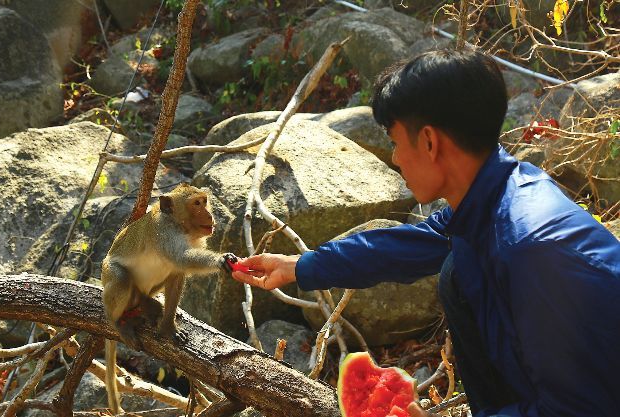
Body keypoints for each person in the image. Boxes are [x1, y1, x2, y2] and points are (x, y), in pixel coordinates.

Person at [230, 49, 620, 417]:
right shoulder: (496, 193)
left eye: (397, 143)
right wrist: (300, 266)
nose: (396, 159)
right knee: (456, 268)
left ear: (430, 142)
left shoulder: (533, 252)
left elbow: (581, 409)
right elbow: (404, 247)